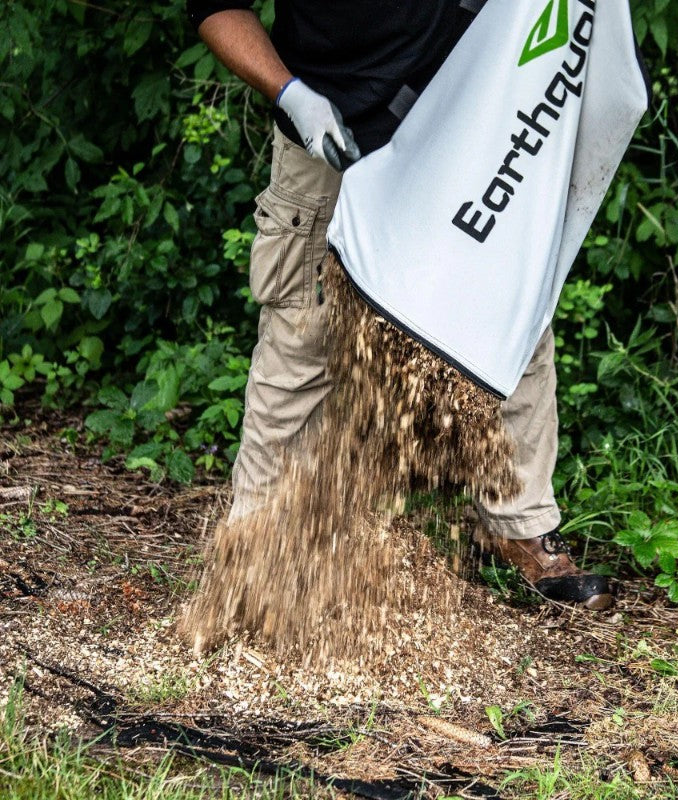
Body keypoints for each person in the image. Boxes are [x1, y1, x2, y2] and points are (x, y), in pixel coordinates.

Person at [186, 0, 613, 610]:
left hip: (467, 128)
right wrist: (291, 94)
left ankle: (521, 529)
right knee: (303, 339)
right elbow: (215, 8)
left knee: (508, 313)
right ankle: (254, 553)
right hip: (332, 134)